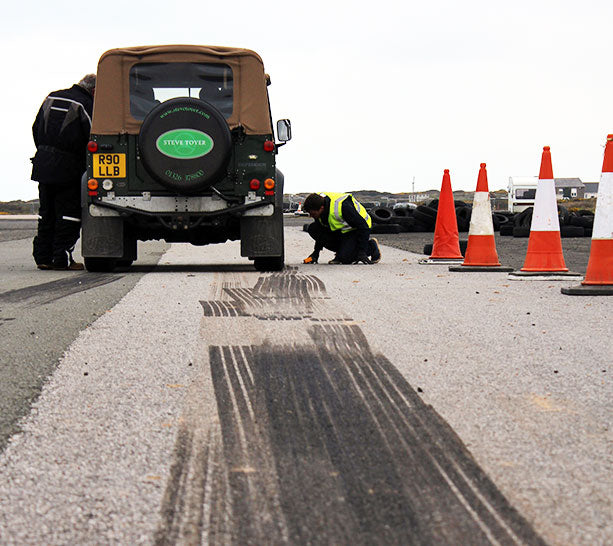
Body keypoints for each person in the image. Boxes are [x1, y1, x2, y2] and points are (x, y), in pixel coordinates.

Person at [30, 74, 96, 270]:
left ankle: (43, 257)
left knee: (46, 212)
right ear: (93, 90)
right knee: (68, 213)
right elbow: (93, 138)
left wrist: (45, 151)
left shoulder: (51, 97)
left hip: (43, 163)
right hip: (69, 167)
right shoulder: (85, 104)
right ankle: (61, 259)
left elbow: (35, 128)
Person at [302, 192, 381, 264]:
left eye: (313, 213)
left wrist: (362, 252)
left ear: (321, 208)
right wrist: (316, 253)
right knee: (313, 228)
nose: (311, 216)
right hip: (342, 230)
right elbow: (321, 228)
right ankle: (343, 252)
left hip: (356, 229)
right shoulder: (317, 203)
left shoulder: (343, 207)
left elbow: (364, 227)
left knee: (345, 259)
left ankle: (371, 246)